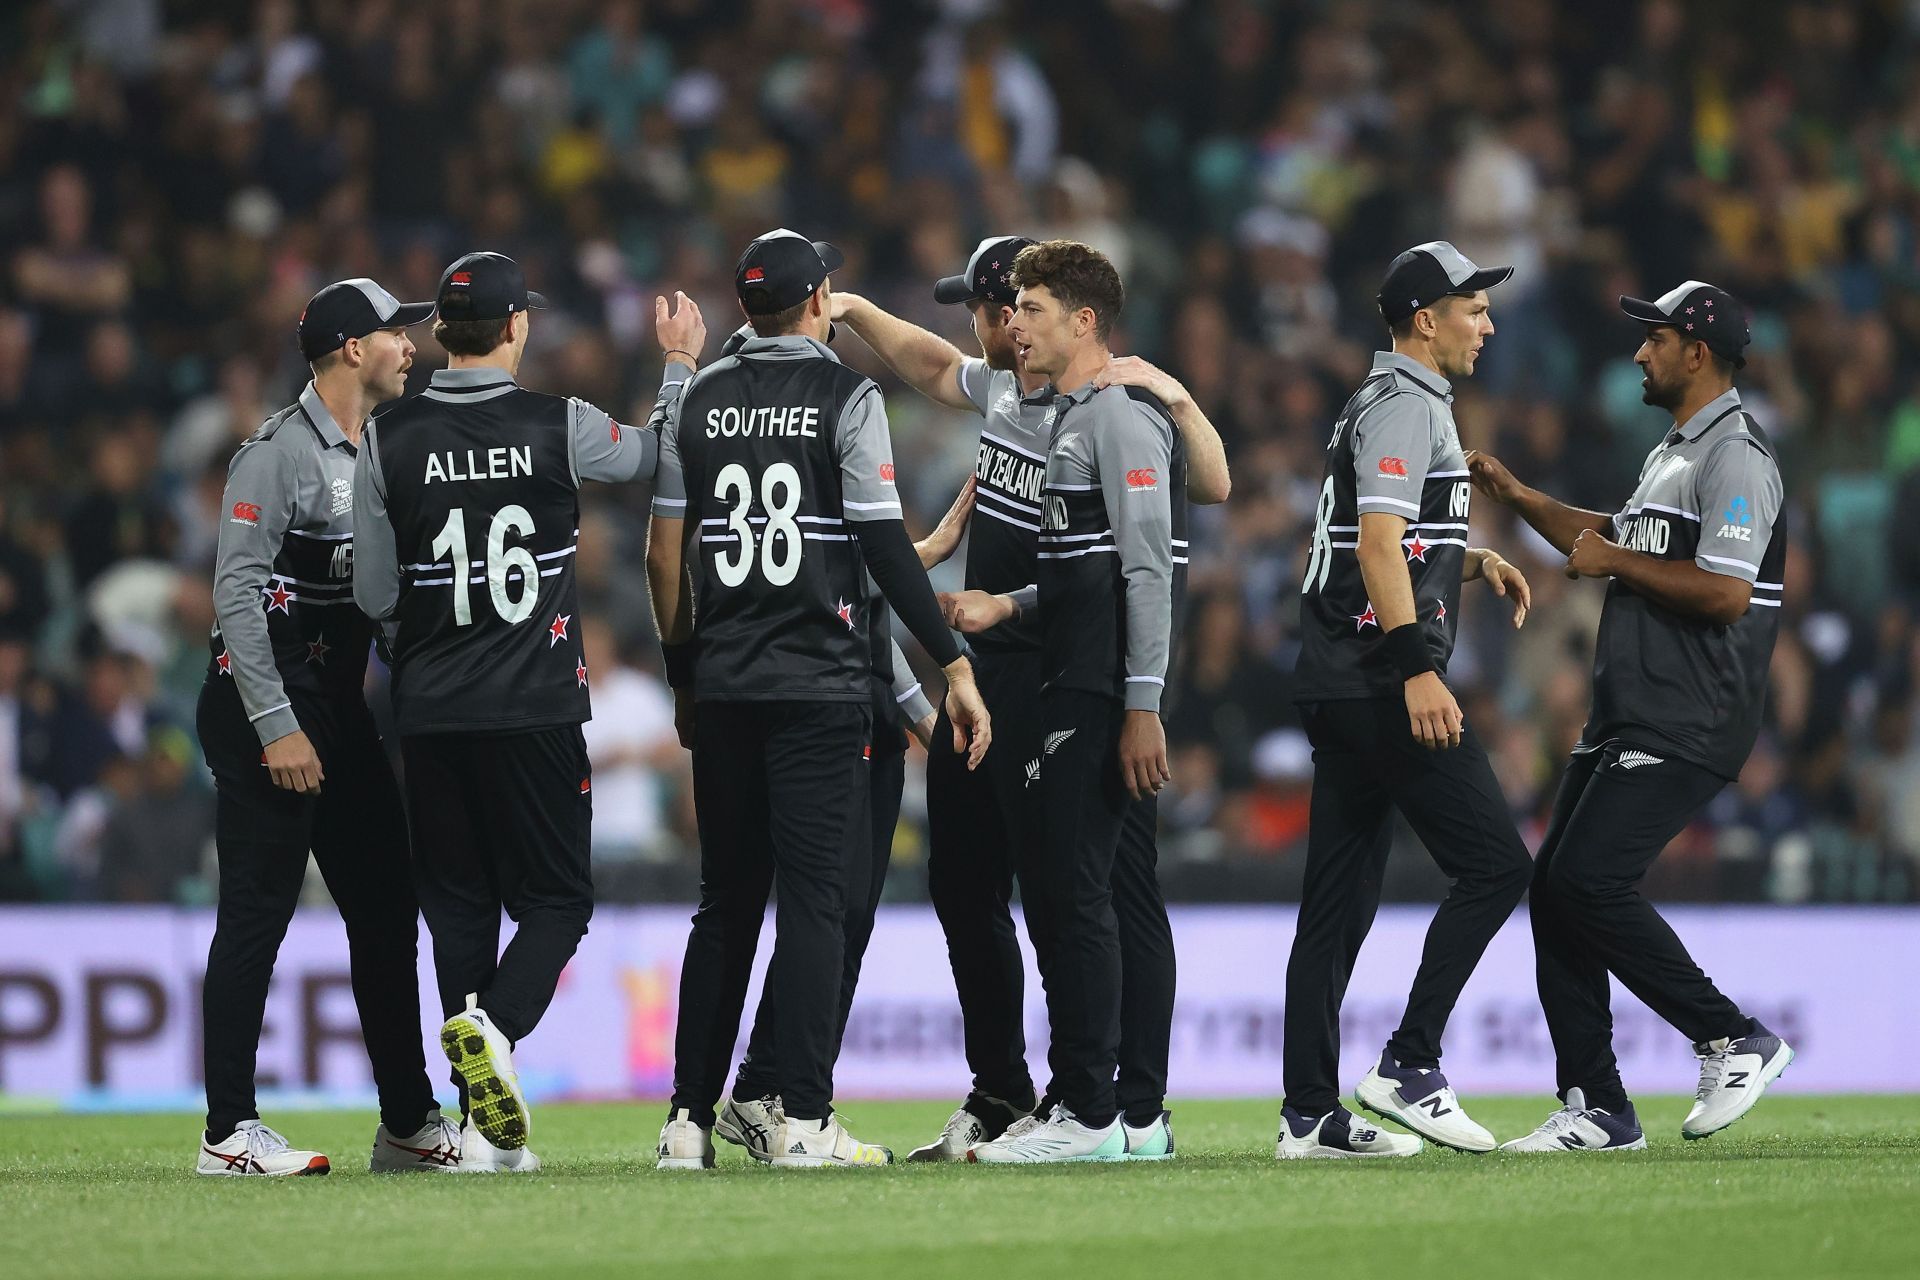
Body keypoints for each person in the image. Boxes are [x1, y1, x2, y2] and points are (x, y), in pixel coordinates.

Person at [836, 234, 1229, 1162]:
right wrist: (851, 312)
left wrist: (1174, 393)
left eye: (1004, 307)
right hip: (1004, 664)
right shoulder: (1008, 390)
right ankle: (1012, 1090)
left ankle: (1132, 1105)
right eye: (993, 311)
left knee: (1104, 889)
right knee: (981, 881)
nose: (991, 328)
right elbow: (929, 363)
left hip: (1079, 672)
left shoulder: (1111, 405)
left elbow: (1206, 486)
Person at [647, 229, 991, 1169]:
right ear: (819, 300)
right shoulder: (847, 396)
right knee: (813, 900)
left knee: (725, 904)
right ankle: (799, 1113)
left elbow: (660, 556)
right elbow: (881, 547)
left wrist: (684, 676)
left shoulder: (701, 397)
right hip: (817, 687)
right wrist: (952, 662)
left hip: (723, 685)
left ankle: (686, 1121)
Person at [353, 251, 660, 1173]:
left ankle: (482, 1129)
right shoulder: (559, 424)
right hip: (534, 705)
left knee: (457, 907)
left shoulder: (385, 434)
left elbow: (373, 591)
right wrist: (678, 369)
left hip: (432, 712)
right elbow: (652, 452)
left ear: (440, 334)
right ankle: (496, 1027)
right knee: (559, 900)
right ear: (518, 326)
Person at [1470, 281, 1794, 1152]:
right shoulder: (1674, 455)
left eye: (1654, 337)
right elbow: (1609, 538)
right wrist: (1518, 494)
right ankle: (1598, 1108)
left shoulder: (1737, 458)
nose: (1639, 352)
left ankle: (1733, 1037)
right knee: (1553, 893)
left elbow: (1726, 593)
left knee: (1585, 883)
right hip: (1630, 712)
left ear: (1698, 351)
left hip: (1690, 713)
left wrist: (1612, 558)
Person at [195, 278, 457, 1176]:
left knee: (387, 914)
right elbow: (237, 590)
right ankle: (227, 1131)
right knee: (258, 912)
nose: (410, 345)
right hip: (262, 710)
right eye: (396, 332)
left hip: (337, 712)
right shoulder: (275, 455)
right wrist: (276, 727)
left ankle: (408, 1125)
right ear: (353, 348)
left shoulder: (384, 448)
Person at [1279, 242, 1535, 1159]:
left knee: (1338, 904)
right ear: (1426, 319)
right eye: (1474, 307)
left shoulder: (1389, 402)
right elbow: (1380, 547)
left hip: (1342, 677)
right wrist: (1421, 664)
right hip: (1379, 679)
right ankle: (1410, 1063)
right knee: (1500, 866)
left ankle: (1307, 1114)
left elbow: (1376, 537)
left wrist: (1472, 558)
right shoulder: (1404, 408)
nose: (1488, 322)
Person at [931, 239, 1182, 1164]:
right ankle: (1083, 1104)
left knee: (1078, 895)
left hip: (1093, 686)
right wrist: (1007, 603)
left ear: (1081, 321)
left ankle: (1094, 1108)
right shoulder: (1074, 421)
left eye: (1030, 308)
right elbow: (1081, 572)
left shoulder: (1119, 420)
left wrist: (1143, 703)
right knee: (1060, 891)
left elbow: (1147, 570)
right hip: (1060, 674)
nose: (1011, 324)